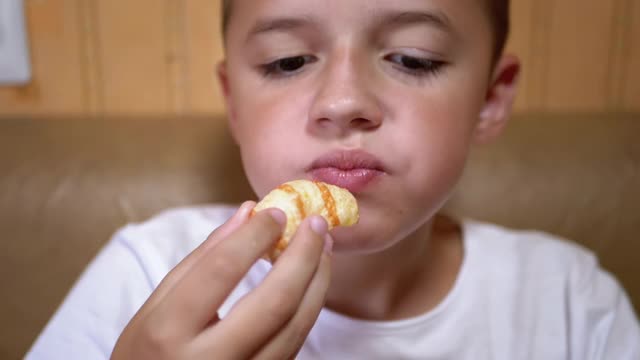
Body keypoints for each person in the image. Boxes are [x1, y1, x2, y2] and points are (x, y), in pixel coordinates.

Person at [27, 0, 640, 358]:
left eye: (412, 59)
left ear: (490, 98)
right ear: (233, 103)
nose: (343, 100)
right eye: (287, 61)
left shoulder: (569, 304)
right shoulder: (141, 273)